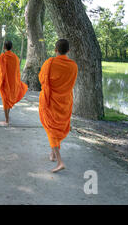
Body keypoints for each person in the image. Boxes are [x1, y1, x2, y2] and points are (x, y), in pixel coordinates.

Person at [39, 39, 78, 173]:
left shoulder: (49, 63)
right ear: (68, 50)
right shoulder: (73, 66)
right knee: (55, 129)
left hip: (51, 101)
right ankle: (53, 153)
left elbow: (42, 79)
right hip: (65, 102)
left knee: (51, 129)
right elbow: (71, 83)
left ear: (55, 50)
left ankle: (60, 162)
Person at [0, 41, 28, 125]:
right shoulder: (15, 57)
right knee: (9, 98)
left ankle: (6, 120)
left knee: (5, 100)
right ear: (12, 47)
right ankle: (7, 116)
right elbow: (17, 71)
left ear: (4, 47)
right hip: (13, 82)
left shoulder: (1, 57)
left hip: (4, 82)